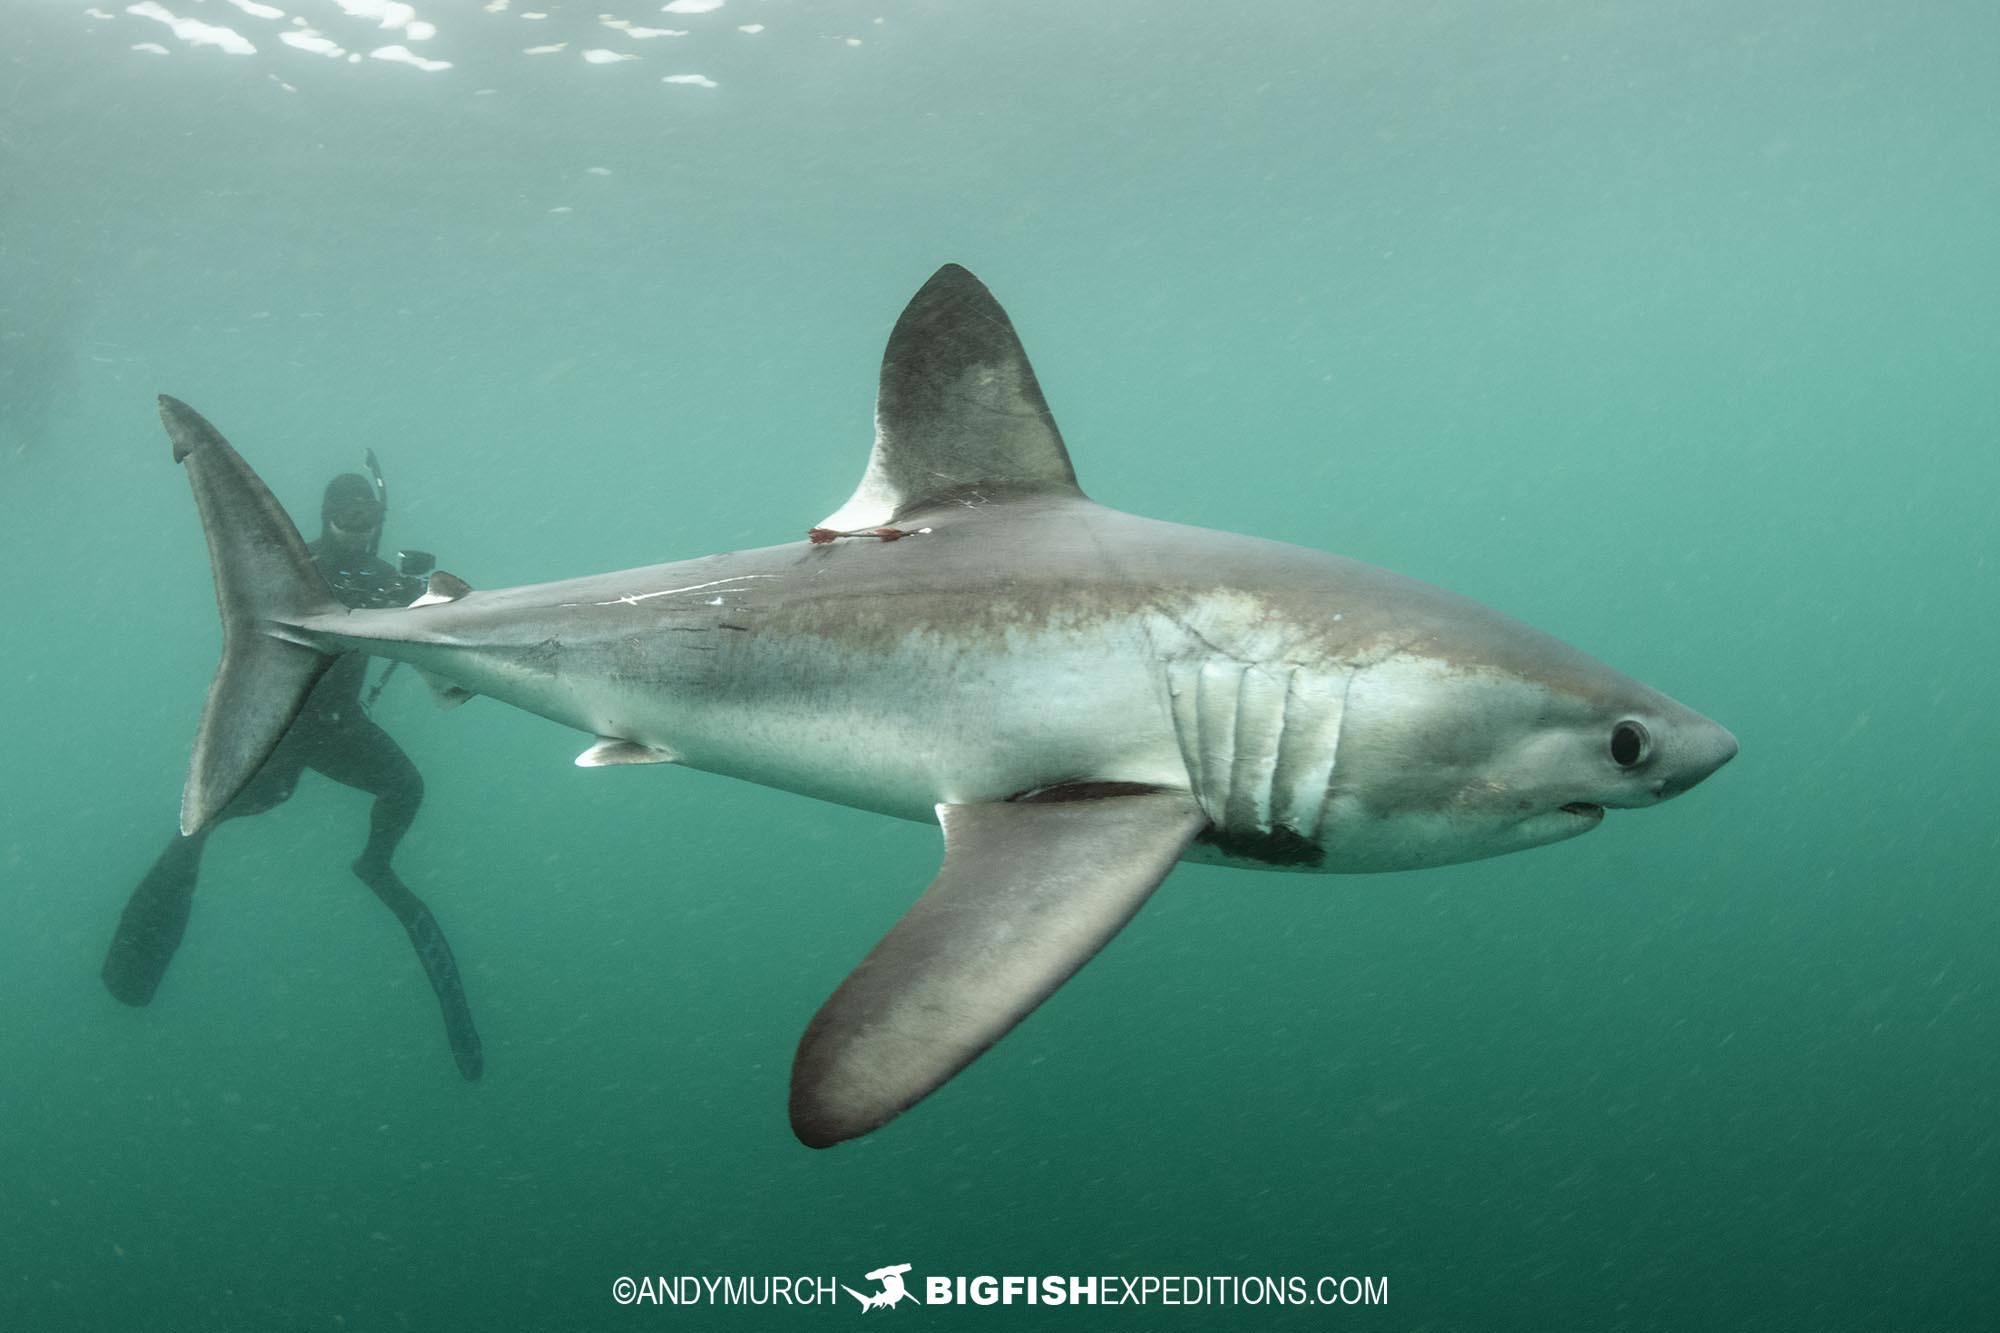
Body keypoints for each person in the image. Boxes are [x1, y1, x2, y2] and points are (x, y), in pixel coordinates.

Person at [103, 462, 483, 1080]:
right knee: (256, 800)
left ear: (377, 519)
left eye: (365, 517)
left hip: (337, 725)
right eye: (344, 516)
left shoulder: (383, 576)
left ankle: (375, 864)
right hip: (284, 723)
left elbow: (425, 615)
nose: (355, 529)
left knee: (405, 786)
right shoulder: (301, 569)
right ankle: (183, 858)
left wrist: (430, 590)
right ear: (326, 518)